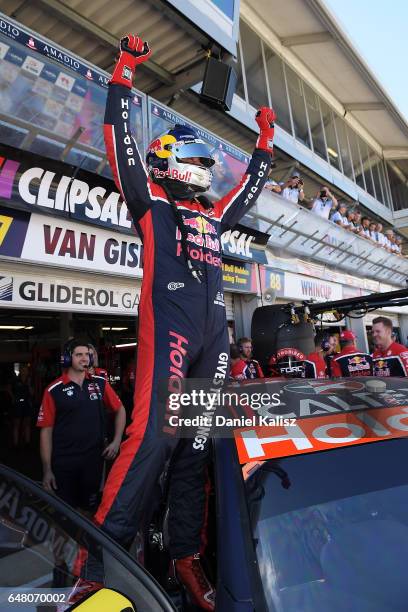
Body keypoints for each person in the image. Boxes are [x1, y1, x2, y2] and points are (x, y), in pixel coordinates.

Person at [72, 34, 274, 610]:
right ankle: (98, 560)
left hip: (215, 338)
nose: (204, 171)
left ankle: (185, 555)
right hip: (173, 330)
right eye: (195, 160)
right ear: (168, 160)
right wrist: (125, 71)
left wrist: (263, 140)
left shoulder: (214, 215)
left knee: (196, 448)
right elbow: (119, 143)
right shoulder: (152, 202)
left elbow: (251, 189)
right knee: (153, 438)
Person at [37, 339, 126, 511]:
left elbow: (120, 409)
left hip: (93, 461)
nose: (85, 358)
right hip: (64, 463)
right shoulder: (53, 390)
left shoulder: (99, 382)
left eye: (87, 355)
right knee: (65, 513)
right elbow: (45, 432)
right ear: (68, 359)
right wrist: (47, 469)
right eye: (79, 355)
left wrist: (116, 441)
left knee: (90, 510)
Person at [11, 365, 34, 448]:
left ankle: (27, 443)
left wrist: (28, 384)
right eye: (23, 370)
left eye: (26, 370)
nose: (24, 372)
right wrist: (13, 398)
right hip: (18, 404)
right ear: (20, 371)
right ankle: (16, 444)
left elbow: (32, 393)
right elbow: (9, 388)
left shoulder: (29, 381)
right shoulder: (16, 380)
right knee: (16, 424)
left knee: (27, 424)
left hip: (27, 404)